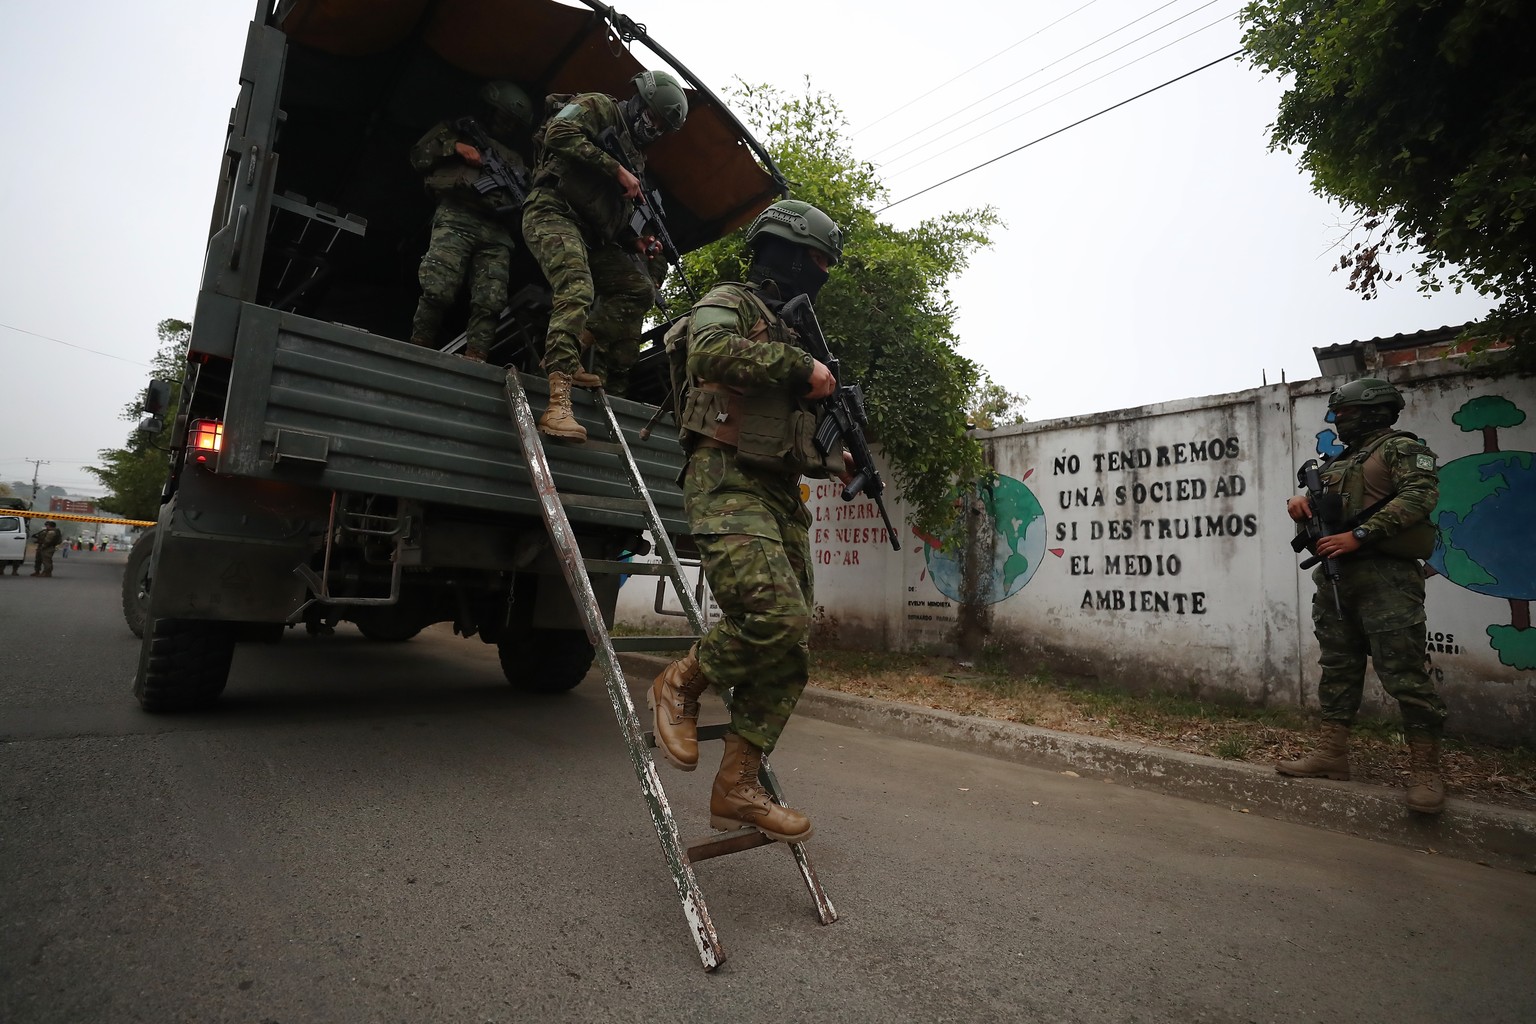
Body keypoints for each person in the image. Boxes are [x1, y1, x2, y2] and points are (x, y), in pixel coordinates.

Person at [648, 199, 850, 843]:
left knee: (790, 647)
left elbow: (784, 435)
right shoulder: (729, 300)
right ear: (787, 252)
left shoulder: (793, 336)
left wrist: (835, 459)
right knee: (776, 618)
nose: (819, 274)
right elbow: (708, 353)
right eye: (816, 261)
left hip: (778, 493)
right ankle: (679, 682)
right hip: (725, 480)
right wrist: (801, 370)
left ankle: (738, 784)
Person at [1277, 377, 1448, 813]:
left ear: (1372, 411)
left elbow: (1420, 495)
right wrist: (1303, 509)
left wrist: (1361, 535)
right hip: (1338, 578)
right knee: (1338, 667)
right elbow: (1327, 520)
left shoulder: (1400, 448)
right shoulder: (1338, 463)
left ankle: (1426, 770)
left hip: (1385, 576)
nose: (1338, 421)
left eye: (1345, 413)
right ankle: (1332, 753)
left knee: (1404, 672)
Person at [521, 70, 689, 440]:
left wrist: (635, 244)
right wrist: (617, 170)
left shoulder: (637, 157)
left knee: (638, 288)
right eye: (655, 118)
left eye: (663, 126)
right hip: (552, 210)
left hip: (591, 234)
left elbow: (608, 213)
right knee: (577, 289)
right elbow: (558, 134)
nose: (655, 128)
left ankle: (568, 348)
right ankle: (556, 406)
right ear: (641, 102)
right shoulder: (597, 106)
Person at [408, 81, 536, 362]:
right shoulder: (454, 132)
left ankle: (476, 357)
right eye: (504, 117)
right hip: (457, 216)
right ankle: (419, 347)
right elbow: (418, 156)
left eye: (513, 123)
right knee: (438, 288)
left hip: (498, 231)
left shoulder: (516, 160)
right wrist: (455, 147)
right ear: (490, 109)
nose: (507, 126)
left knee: (490, 301)